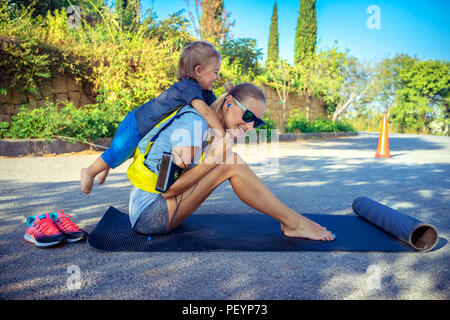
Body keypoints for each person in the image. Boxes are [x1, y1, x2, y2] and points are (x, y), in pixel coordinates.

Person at [128, 83, 336, 241]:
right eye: (247, 115)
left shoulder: (210, 128)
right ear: (228, 103)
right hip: (149, 215)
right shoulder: (195, 124)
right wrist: (213, 160)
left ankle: (292, 221)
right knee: (231, 162)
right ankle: (293, 222)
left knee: (229, 160)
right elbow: (167, 189)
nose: (250, 126)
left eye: (257, 121)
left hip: (155, 209)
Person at [80, 41, 224, 194]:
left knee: (118, 153)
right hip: (138, 124)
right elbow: (206, 112)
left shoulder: (203, 92)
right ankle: (89, 171)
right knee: (118, 152)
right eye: (215, 72)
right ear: (198, 71)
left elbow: (216, 109)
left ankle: (107, 164)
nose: (217, 77)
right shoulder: (188, 87)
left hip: (145, 129)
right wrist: (222, 134)